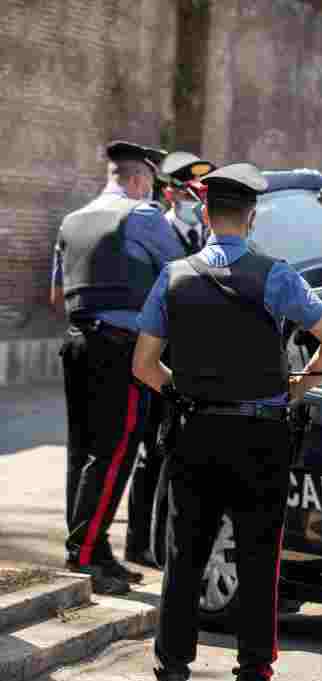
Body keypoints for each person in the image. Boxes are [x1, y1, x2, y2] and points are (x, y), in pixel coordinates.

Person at [133, 163, 322, 681]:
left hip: (195, 432)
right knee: (259, 559)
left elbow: (142, 365)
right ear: (251, 219)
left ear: (205, 215)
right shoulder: (275, 276)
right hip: (260, 436)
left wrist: (181, 391)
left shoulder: (173, 276)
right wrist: (297, 389)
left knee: (185, 557)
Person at [52, 140, 185, 595]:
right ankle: (86, 554)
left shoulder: (71, 221)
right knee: (114, 453)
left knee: (83, 452)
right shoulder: (142, 215)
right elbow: (183, 271)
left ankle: (90, 545)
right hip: (121, 349)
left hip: (76, 343)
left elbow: (58, 295)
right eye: (151, 183)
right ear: (139, 180)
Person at [123, 152, 220, 569]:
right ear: (169, 193)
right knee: (150, 452)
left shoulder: (208, 236)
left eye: (201, 192)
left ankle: (170, 543)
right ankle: (137, 541)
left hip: (194, 362)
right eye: (187, 191)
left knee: (181, 453)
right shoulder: (154, 233)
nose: (195, 199)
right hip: (158, 359)